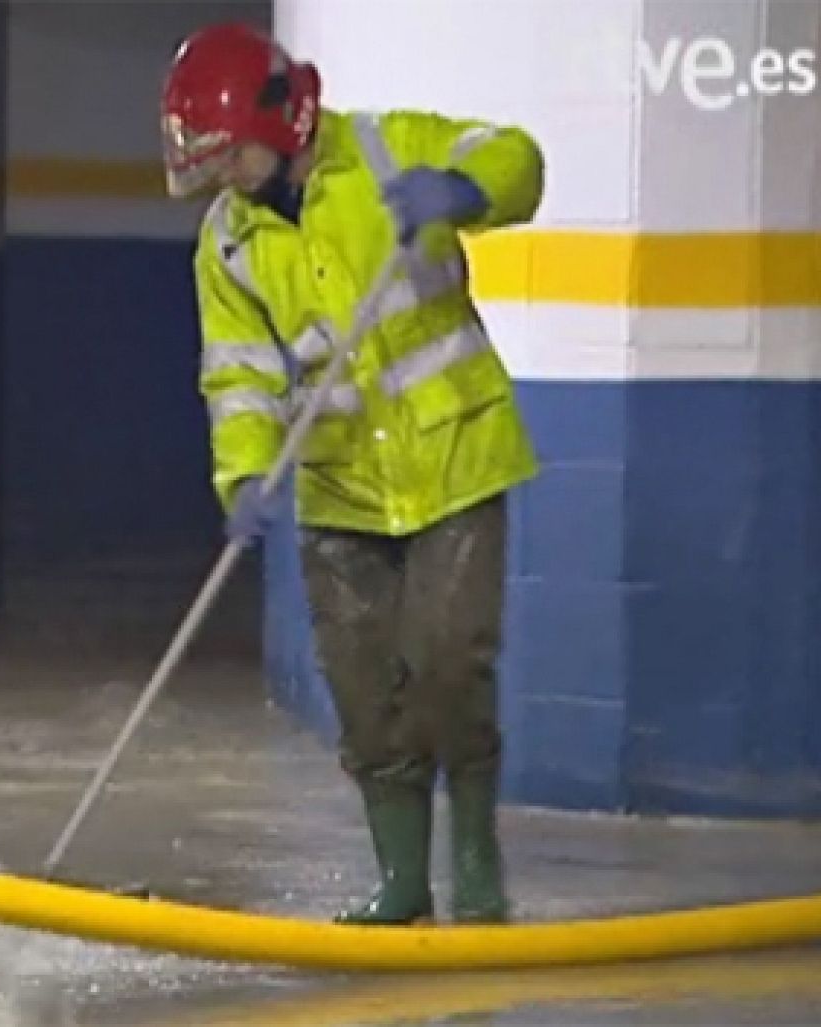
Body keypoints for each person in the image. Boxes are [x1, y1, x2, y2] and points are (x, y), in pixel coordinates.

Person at [159, 23, 545, 925]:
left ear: (279, 120)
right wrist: (244, 478)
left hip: (453, 463)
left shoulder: (385, 149)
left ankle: (478, 865)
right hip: (341, 493)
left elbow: (516, 157)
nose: (226, 176)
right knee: (368, 694)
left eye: (234, 156)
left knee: (449, 668)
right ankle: (403, 883)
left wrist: (465, 188)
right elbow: (239, 372)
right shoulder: (227, 245)